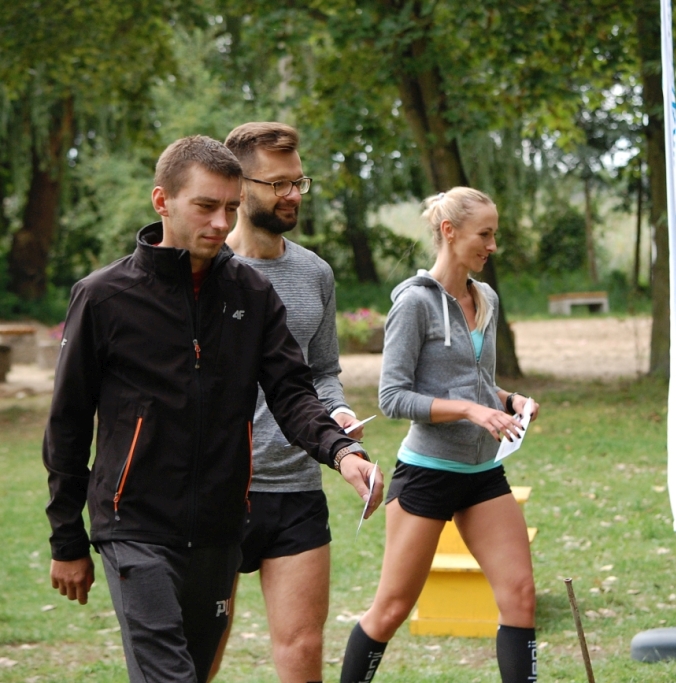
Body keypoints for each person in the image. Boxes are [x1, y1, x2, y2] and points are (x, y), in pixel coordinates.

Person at [43, 135, 383, 683]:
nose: (221, 223)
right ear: (163, 201)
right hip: (136, 526)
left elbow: (292, 391)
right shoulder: (104, 297)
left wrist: (342, 452)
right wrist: (66, 539)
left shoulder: (252, 293)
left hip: (222, 528)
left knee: (194, 673)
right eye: (205, 206)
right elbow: (68, 424)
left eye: (230, 207)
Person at [339, 188, 540, 683]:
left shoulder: (486, 298)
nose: (492, 245)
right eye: (484, 234)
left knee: (520, 596)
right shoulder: (414, 304)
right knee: (391, 609)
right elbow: (393, 398)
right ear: (449, 232)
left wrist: (510, 401)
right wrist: (469, 409)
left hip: (483, 473)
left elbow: (478, 383)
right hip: (427, 475)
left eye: (495, 234)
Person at [203, 122, 366, 683]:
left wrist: (336, 416)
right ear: (238, 186)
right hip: (216, 490)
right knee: (199, 650)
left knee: (302, 648)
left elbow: (321, 372)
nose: (293, 194)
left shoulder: (315, 272)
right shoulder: (203, 272)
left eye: (299, 182)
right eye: (278, 184)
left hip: (296, 486)